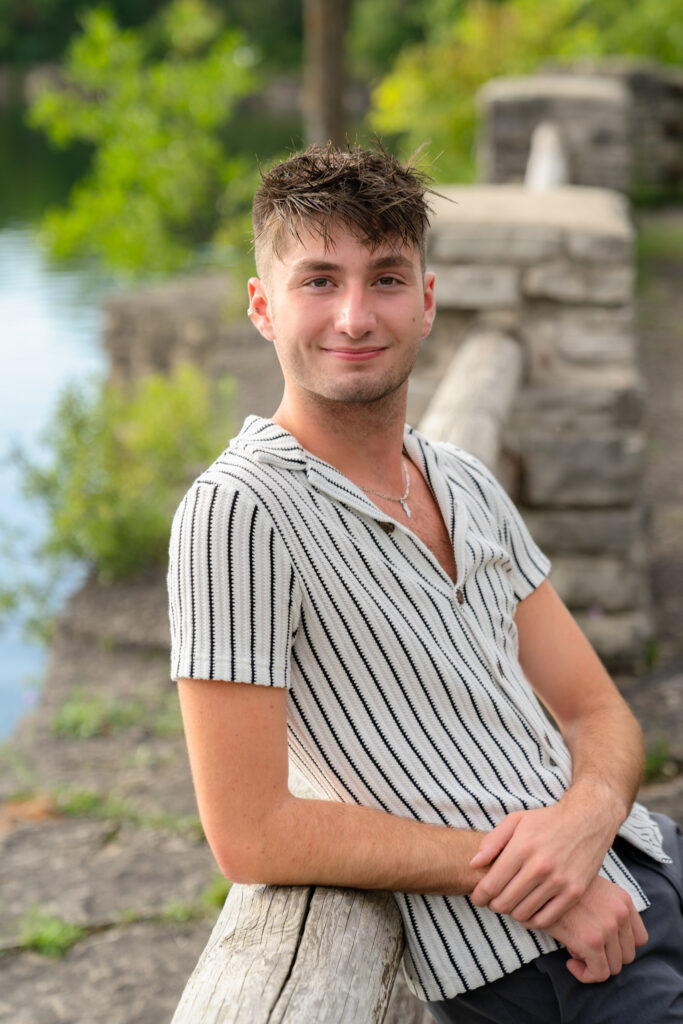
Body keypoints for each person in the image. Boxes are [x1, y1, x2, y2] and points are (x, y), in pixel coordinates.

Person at [167, 143, 683, 1022]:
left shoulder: (459, 479)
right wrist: (543, 879)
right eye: (319, 281)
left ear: (429, 301)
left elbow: (598, 712)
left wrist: (586, 818)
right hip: (548, 960)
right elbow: (250, 831)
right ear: (263, 306)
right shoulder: (236, 513)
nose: (356, 315)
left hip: (648, 858)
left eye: (388, 278)